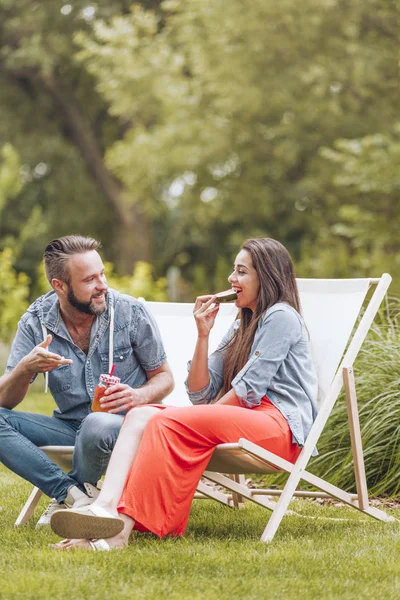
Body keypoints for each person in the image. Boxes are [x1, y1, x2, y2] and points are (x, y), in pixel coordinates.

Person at [50, 237, 318, 550]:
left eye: (242, 272)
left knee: (165, 422)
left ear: (267, 276)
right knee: (139, 416)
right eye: (234, 271)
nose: (232, 279)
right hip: (244, 416)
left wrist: (202, 416)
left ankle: (118, 535)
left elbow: (247, 391)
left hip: (277, 427)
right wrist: (202, 334)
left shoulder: (281, 316)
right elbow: (201, 394)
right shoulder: (242, 323)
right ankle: (105, 508)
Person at [0, 235, 173, 526]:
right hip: (71, 428)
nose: (102, 285)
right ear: (60, 286)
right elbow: (7, 400)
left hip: (126, 426)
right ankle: (71, 493)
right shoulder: (35, 321)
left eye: (102, 274)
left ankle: (70, 497)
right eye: (90, 279)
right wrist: (24, 368)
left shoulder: (130, 312)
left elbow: (165, 378)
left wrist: (140, 396)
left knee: (97, 423)